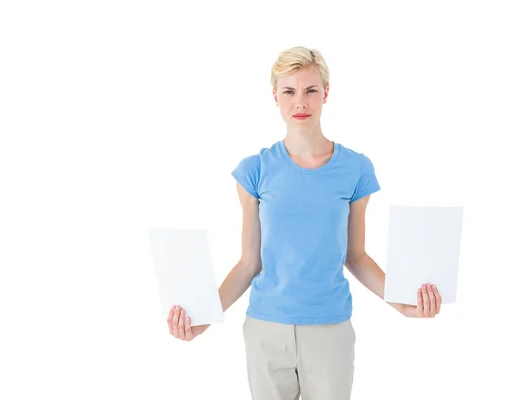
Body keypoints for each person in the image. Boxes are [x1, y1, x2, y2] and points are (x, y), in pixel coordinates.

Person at [167, 46, 442, 399]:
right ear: (275, 97)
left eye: (311, 90)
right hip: (266, 329)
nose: (301, 102)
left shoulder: (355, 169)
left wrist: (402, 301)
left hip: (330, 329)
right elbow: (249, 262)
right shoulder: (255, 170)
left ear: (326, 94)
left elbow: (355, 256)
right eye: (289, 91)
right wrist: (204, 318)